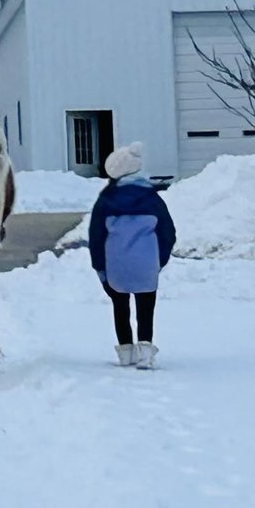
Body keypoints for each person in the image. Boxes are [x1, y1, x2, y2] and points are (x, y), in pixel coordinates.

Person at [88, 143, 175, 368]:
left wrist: (99, 266)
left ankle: (125, 351)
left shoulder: (105, 201)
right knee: (146, 308)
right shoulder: (152, 200)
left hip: (116, 264)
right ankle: (145, 352)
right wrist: (159, 260)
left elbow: (96, 236)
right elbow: (168, 233)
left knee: (120, 306)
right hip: (147, 263)